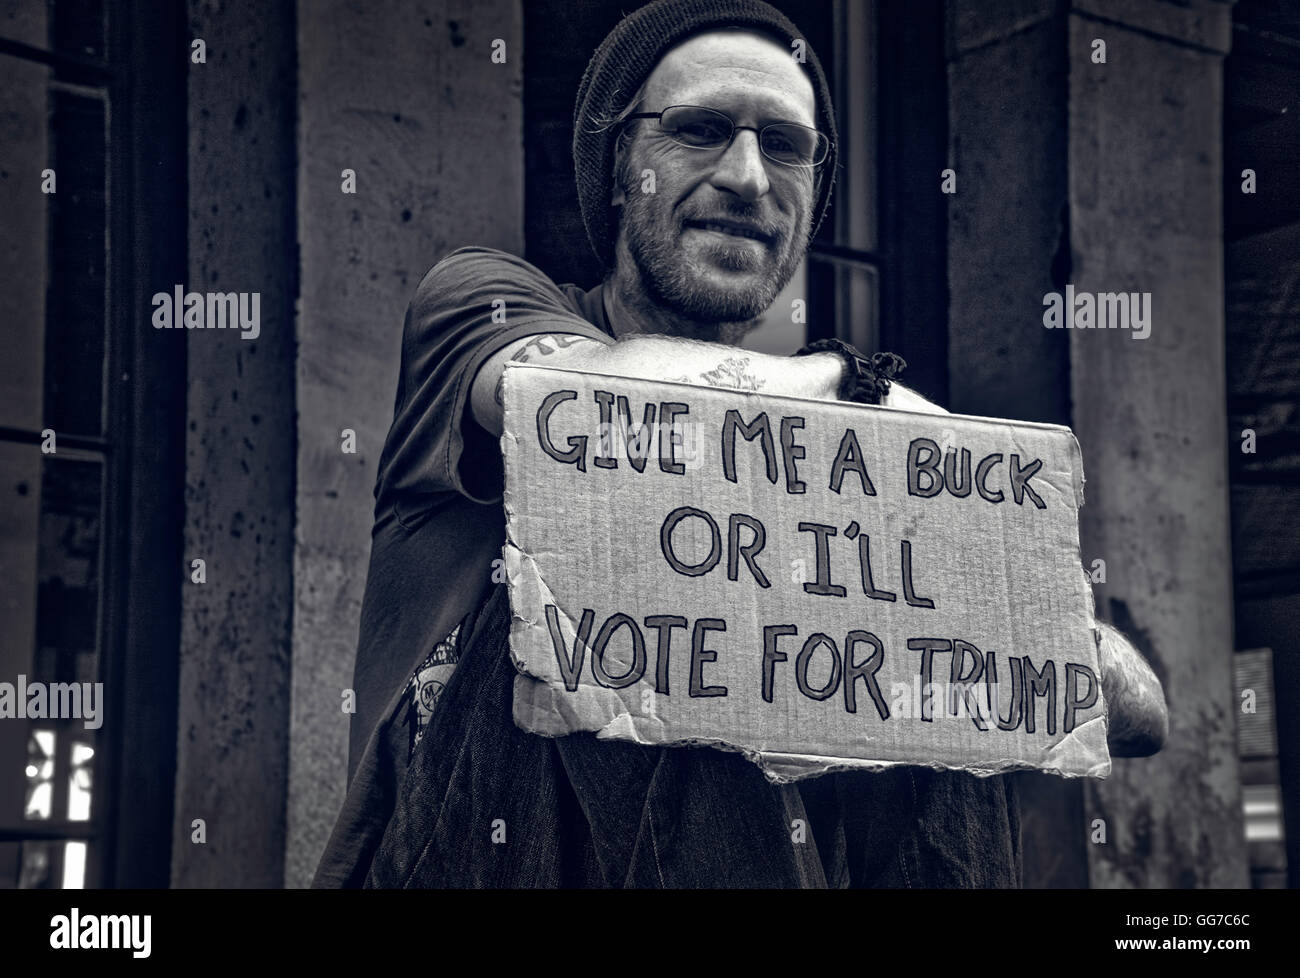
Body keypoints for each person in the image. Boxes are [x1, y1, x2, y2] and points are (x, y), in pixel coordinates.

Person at [313, 0, 1167, 889]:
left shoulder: (845, 467)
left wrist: (1008, 618)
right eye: (701, 129)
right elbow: (602, 413)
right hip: (463, 852)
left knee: (907, 671)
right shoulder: (482, 302)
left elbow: (1135, 712)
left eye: (787, 146)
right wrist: (874, 403)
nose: (749, 176)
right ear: (618, 168)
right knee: (678, 596)